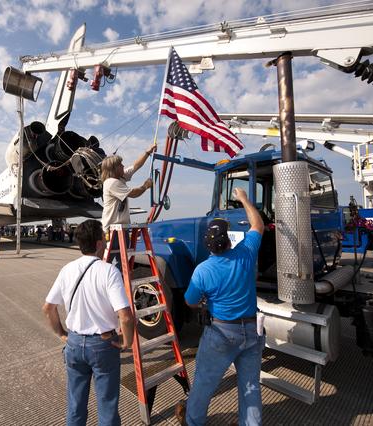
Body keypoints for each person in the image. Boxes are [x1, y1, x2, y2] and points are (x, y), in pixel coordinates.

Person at [176, 188, 265, 426]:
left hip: (222, 334)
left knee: (204, 382)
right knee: (250, 387)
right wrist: (244, 199)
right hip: (252, 331)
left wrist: (206, 300)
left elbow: (190, 301)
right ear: (228, 240)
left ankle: (193, 422)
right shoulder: (245, 254)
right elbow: (258, 226)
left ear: (208, 245)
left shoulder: (203, 271)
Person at [42, 219, 134, 426]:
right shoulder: (109, 271)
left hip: (73, 344)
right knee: (107, 406)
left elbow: (48, 308)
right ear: (100, 243)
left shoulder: (67, 269)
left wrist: (62, 334)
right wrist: (127, 342)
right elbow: (126, 316)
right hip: (103, 345)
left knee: (75, 406)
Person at [100, 143, 156, 233]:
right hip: (113, 230)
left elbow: (135, 166)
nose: (123, 166)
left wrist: (147, 153)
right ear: (114, 169)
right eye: (120, 165)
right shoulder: (111, 182)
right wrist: (146, 185)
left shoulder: (119, 177)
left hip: (121, 228)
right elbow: (133, 193)